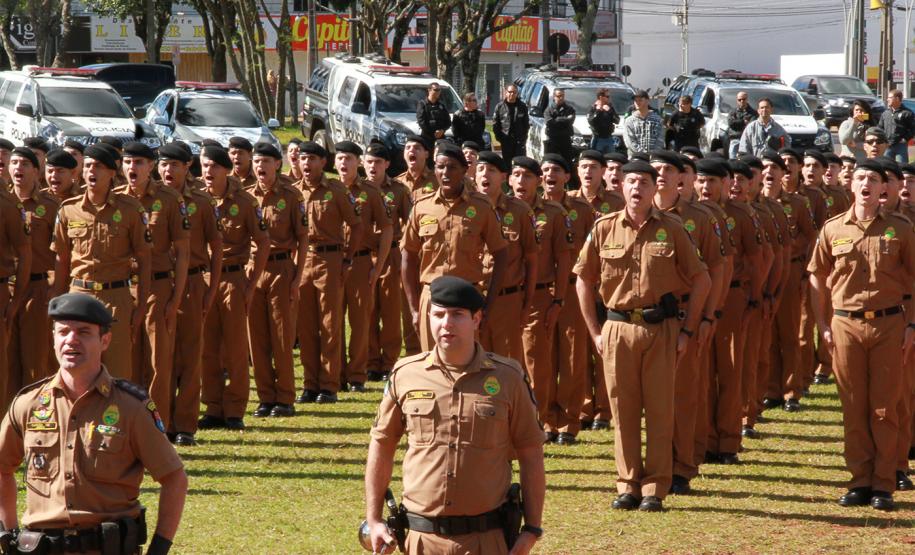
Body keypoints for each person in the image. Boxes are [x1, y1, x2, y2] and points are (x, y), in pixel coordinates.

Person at [365, 276, 545, 555]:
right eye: (438, 314)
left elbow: (530, 451)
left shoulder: (508, 378)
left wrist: (532, 529)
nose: (446, 324)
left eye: (457, 315)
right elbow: (382, 443)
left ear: (476, 319)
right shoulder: (405, 374)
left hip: (487, 540)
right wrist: (374, 519)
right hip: (421, 540)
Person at [0, 293, 187, 554]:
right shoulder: (28, 404)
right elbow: (2, 468)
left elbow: (174, 477)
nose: (71, 340)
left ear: (105, 340)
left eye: (84, 332)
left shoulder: (130, 407)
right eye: (63, 331)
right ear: (53, 338)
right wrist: (7, 533)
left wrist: (160, 547)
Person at [576, 159, 710, 512]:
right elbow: (583, 279)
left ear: (656, 189)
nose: (636, 188)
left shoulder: (673, 228)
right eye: (630, 181)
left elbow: (701, 279)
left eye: (644, 183)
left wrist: (688, 331)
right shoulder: (604, 228)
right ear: (620, 186)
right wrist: (595, 331)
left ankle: (654, 487)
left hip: (661, 329)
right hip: (617, 328)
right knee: (623, 409)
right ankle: (628, 483)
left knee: (660, 410)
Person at [809, 159, 915, 512]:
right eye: (859, 177)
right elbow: (817, 277)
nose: (865, 183)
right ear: (850, 185)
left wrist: (911, 325)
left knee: (884, 407)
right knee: (853, 406)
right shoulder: (833, 229)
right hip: (845, 325)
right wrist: (822, 324)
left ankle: (884, 483)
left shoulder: (899, 228)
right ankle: (859, 481)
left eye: (872, 178)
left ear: (883, 189)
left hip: (888, 324)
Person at [650, 150, 725, 494]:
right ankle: (654, 464)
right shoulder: (638, 216)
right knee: (650, 396)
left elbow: (717, 269)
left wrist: (709, 315)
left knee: (683, 394)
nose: (661, 175)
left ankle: (681, 466)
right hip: (646, 319)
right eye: (655, 170)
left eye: (668, 170)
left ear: (682, 178)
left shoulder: (699, 217)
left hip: (684, 314)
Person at [52, 144, 151, 383]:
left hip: (116, 297)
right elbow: (61, 261)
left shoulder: (130, 209)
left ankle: (116, 421)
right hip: (79, 296)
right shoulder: (69, 210)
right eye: (87, 166)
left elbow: (145, 259)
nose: (91, 171)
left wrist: (140, 307)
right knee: (78, 369)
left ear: (111, 173)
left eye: (97, 167)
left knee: (117, 372)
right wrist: (56, 305)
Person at [401, 143, 508, 351]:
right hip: (432, 297)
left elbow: (501, 253)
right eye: (440, 167)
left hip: (467, 296)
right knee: (432, 365)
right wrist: (415, 308)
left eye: (452, 167)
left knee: (467, 363)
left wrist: (488, 303)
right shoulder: (422, 207)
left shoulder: (481, 207)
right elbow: (408, 257)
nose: (445, 173)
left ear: (464, 170)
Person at [117, 142, 190, 434]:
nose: (132, 168)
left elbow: (183, 251)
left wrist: (175, 297)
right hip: (124, 289)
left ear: (151, 167)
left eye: (138, 162)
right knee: (126, 361)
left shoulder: (169, 200)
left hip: (159, 287)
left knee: (158, 362)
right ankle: (127, 426)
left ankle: (158, 427)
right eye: (127, 162)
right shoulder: (115, 201)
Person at [156, 144, 223, 446]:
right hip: (159, 284)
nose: (167, 171)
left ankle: (185, 425)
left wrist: (211, 288)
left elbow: (216, 245)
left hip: (194, 284)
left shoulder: (201, 201)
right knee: (160, 358)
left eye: (173, 165)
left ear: (187, 166)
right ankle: (161, 421)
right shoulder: (150, 199)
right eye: (163, 164)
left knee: (190, 355)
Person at [199, 146, 269, 431]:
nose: (208, 172)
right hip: (203, 280)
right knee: (207, 348)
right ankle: (213, 407)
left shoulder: (246, 202)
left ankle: (235, 409)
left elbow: (263, 242)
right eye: (204, 166)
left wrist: (251, 284)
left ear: (226, 170)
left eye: (214, 166)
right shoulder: (196, 200)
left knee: (237, 348)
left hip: (233, 279)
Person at [510, 156, 574, 443]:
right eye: (516, 175)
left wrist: (559, 300)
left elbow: (564, 258)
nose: (521, 181)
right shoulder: (498, 210)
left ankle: (541, 420)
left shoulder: (553, 213)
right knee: (506, 361)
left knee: (537, 363)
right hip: (504, 298)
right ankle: (509, 419)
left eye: (527, 176)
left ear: (537, 182)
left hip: (539, 297)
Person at [294, 141, 361, 404]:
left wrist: (347, 259)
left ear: (324, 162)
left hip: (330, 259)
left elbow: (356, 225)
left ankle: (330, 384)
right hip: (303, 261)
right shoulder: (294, 192)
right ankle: (310, 384)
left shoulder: (336, 190)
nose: (306, 164)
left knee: (330, 324)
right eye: (302, 158)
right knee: (306, 325)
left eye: (311, 159)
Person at [247, 143, 309, 417]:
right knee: (257, 338)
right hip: (252, 272)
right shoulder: (247, 197)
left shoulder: (292, 196)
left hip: (281, 269)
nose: (259, 167)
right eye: (256, 161)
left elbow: (303, 237)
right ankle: (265, 397)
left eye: (265, 162)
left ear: (277, 165)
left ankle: (285, 397)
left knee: (282, 336)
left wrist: (297, 275)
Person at [543, 153, 599, 444]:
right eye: (545, 169)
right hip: (541, 291)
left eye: (556, 170)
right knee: (542, 358)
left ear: (567, 177)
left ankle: (569, 421)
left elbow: (594, 251)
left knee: (573, 356)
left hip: (573, 289)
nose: (549, 174)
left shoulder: (581, 209)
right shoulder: (530, 208)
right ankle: (546, 419)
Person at [336, 141, 393, 393]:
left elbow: (387, 229)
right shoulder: (328, 189)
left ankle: (357, 375)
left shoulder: (369, 191)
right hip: (331, 262)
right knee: (331, 321)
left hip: (360, 262)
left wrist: (377, 267)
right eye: (339, 158)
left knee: (360, 321)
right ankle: (335, 374)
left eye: (348, 158)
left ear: (358, 162)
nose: (343, 163)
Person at [6, 148, 58, 403]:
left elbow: (62, 253)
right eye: (14, 162)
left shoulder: (50, 206)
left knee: (36, 360)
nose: (18, 168)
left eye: (25, 164)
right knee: (7, 359)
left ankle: (37, 414)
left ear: (37, 171)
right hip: (8, 288)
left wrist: (54, 287)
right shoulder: (4, 202)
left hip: (37, 290)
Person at [476, 151, 537, 362]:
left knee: (508, 366)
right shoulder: (465, 208)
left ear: (503, 177)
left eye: (491, 171)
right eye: (481, 169)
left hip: (507, 301)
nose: (485, 175)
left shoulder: (520, 211)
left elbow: (531, 261)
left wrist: (527, 305)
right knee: (472, 363)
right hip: (472, 298)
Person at [366, 143, 412, 382]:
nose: (372, 167)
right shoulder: (355, 189)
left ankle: (389, 362)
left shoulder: (398, 190)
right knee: (367, 310)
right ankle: (371, 361)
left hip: (392, 254)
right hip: (364, 254)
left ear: (387, 165)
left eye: (377, 162)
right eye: (369, 161)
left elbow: (410, 223)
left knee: (391, 310)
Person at [492, 84, 530, 162]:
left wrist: (523, 137)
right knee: (507, 162)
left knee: (519, 162)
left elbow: (526, 124)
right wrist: (499, 138)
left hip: (519, 140)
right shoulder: (500, 107)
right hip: (506, 140)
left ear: (517, 93)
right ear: (506, 93)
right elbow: (496, 124)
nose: (512, 94)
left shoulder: (522, 106)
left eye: (514, 92)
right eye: (510, 92)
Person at [623, 90, 664, 158]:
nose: (637, 103)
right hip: (635, 158)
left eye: (640, 100)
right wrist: (642, 154)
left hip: (653, 158)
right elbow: (629, 141)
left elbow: (660, 139)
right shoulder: (629, 120)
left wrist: (653, 154)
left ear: (648, 101)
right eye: (635, 101)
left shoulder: (657, 120)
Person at [879, 89, 915, 164]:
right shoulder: (886, 113)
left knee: (902, 167)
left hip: (900, 145)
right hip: (887, 145)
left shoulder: (907, 113)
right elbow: (880, 128)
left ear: (897, 99)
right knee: (887, 166)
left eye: (889, 97)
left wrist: (905, 139)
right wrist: (882, 140)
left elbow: (913, 128)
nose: (887, 99)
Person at [544, 89, 576, 163]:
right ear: (554, 97)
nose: (561, 98)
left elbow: (571, 121)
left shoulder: (569, 109)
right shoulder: (549, 110)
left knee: (567, 163)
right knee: (552, 162)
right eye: (558, 96)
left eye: (562, 96)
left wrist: (556, 120)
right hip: (553, 140)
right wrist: (564, 119)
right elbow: (549, 123)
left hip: (565, 140)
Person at [587, 89, 619, 154]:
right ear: (601, 97)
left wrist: (610, 111)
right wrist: (598, 111)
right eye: (607, 96)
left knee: (610, 158)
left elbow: (617, 120)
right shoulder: (593, 107)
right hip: (597, 138)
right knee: (597, 158)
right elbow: (591, 121)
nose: (609, 98)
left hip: (609, 138)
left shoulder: (610, 107)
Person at [727, 91, 757, 158]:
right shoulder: (733, 111)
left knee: (745, 160)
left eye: (744, 99)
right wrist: (743, 122)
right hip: (735, 138)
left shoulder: (753, 113)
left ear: (747, 99)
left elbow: (751, 125)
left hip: (747, 140)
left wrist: (737, 123)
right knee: (733, 160)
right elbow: (731, 123)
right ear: (737, 100)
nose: (742, 101)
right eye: (739, 100)